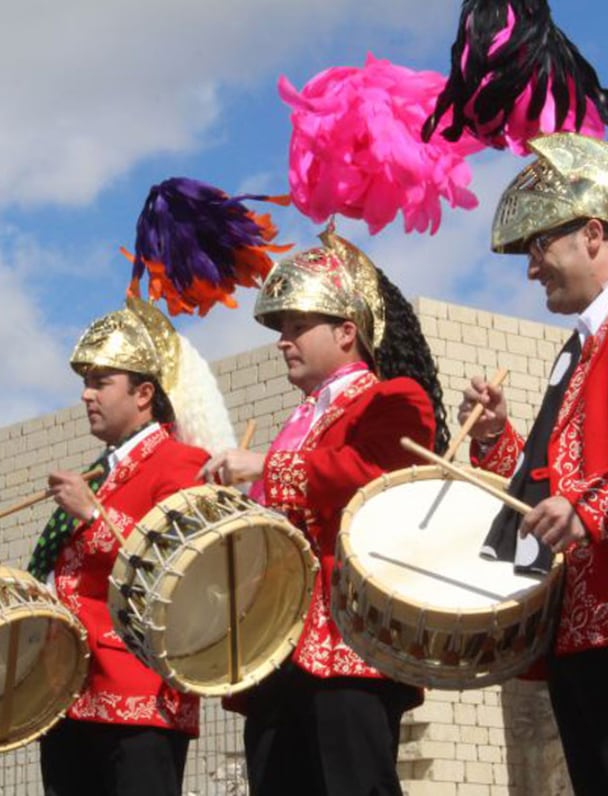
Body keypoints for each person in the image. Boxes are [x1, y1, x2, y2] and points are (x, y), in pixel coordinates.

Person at [201, 228, 448, 796]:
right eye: (280, 330)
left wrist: (267, 467)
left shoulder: (394, 397)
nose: (283, 341)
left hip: (348, 638)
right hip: (275, 645)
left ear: (346, 331)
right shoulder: (299, 418)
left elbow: (377, 475)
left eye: (296, 327)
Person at [30, 297, 235, 796]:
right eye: (85, 383)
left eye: (101, 382)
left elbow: (180, 567)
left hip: (139, 690)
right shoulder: (102, 470)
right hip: (70, 693)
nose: (86, 395)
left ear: (144, 393)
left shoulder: (183, 462)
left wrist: (94, 516)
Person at [458, 132, 608, 796]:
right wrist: (496, 437)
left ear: (594, 234)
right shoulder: (574, 353)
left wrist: (588, 509)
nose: (530, 268)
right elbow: (546, 489)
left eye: (540, 245)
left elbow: (578, 500)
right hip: (578, 640)